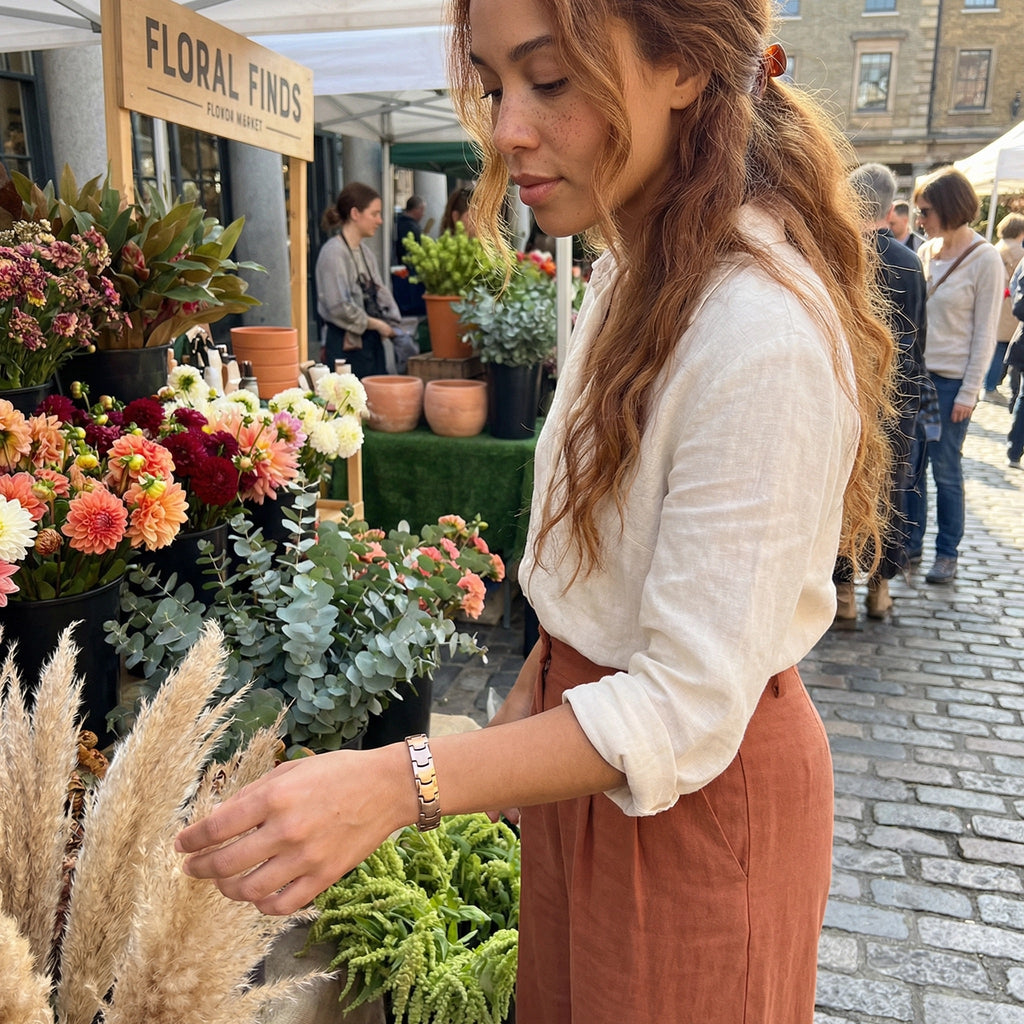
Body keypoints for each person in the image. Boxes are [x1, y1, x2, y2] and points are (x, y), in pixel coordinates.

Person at [177, 3, 895, 1021]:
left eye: (549, 80)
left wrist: (398, 781)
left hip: (686, 805)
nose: (507, 129)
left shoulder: (756, 327)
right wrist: (511, 727)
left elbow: (684, 706)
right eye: (492, 82)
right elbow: (589, 585)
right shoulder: (634, 270)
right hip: (587, 770)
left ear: (683, 69)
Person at [834, 163, 926, 626]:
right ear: (890, 209)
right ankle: (880, 592)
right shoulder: (910, 262)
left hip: (848, 394)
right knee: (891, 492)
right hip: (898, 398)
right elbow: (918, 341)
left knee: (845, 491)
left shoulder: (836, 255)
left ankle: (844, 595)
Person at [905, 167, 1003, 584]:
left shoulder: (984, 259)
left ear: (946, 207)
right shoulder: (926, 253)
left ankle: (947, 553)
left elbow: (985, 333)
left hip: (950, 386)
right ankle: (911, 543)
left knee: (945, 469)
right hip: (921, 380)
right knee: (913, 466)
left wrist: (969, 392)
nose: (919, 220)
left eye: (925, 211)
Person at [315, 182, 418, 377]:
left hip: (371, 344)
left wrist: (394, 325)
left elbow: (381, 293)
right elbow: (339, 307)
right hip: (344, 347)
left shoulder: (366, 252)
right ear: (355, 214)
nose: (379, 220)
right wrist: (379, 325)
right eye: (374, 213)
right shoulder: (333, 253)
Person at [982, 212, 1024, 404]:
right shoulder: (1018, 251)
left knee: (996, 346)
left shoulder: (995, 247)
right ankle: (990, 386)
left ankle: (989, 384)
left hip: (996, 302)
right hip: (1008, 306)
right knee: (1001, 348)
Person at [394, 194, 426, 263]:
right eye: (422, 210)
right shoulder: (409, 226)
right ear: (415, 210)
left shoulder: (402, 222)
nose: (423, 214)